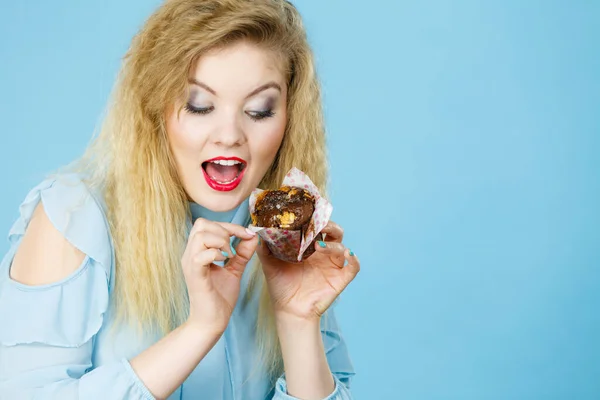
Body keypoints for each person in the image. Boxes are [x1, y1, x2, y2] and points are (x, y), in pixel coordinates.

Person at [0, 0, 360, 399]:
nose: (229, 134)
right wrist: (201, 328)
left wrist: (296, 319)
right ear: (156, 108)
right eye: (199, 105)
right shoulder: (73, 218)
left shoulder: (279, 238)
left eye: (259, 110)